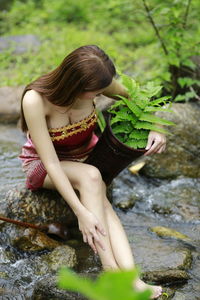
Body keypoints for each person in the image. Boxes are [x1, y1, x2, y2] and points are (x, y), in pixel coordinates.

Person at [19, 45, 165, 299]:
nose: (100, 95)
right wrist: (81, 212)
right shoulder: (35, 100)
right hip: (45, 164)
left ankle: (133, 280)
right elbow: (51, 162)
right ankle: (109, 269)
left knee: (103, 202)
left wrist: (156, 127)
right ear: (75, 84)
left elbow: (138, 97)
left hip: (86, 158)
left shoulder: (99, 83)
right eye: (95, 92)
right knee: (92, 177)